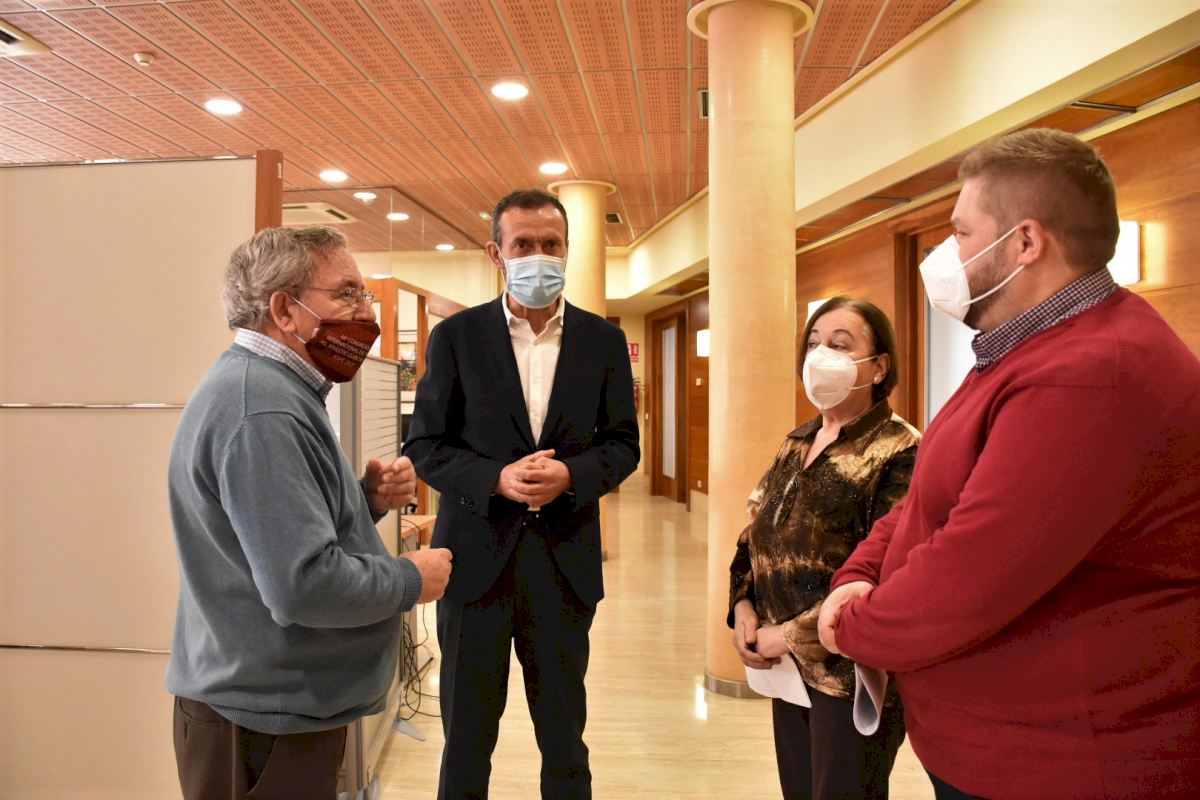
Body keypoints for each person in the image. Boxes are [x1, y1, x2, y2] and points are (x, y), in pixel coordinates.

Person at [818, 129, 1200, 799]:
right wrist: (860, 574)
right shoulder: (1025, 352)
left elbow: (974, 571)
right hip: (1001, 744)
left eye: (961, 233)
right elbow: (931, 498)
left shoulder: (1092, 374)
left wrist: (853, 626)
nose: (947, 256)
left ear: (1025, 243)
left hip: (1068, 761)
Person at [165, 226, 453, 800]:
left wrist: (364, 500)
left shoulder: (274, 392)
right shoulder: (263, 409)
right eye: (347, 294)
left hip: (272, 708)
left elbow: (272, 539)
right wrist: (409, 579)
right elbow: (303, 586)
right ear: (283, 310)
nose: (366, 312)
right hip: (263, 722)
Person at [404, 188, 640, 799]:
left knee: (565, 740)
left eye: (552, 244)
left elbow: (623, 445)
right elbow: (425, 444)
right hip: (474, 565)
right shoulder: (455, 337)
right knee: (466, 740)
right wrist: (495, 479)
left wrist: (572, 476)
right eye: (524, 244)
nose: (540, 255)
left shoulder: (602, 342)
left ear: (567, 250)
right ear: (497, 253)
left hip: (564, 566)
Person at [729, 296, 918, 800]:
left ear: (879, 366)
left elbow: (886, 577)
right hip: (786, 672)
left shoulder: (901, 451)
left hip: (850, 675)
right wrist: (743, 606)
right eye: (813, 344)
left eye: (840, 344)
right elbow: (754, 532)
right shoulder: (798, 441)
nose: (821, 356)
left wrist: (788, 637)